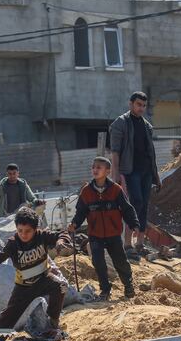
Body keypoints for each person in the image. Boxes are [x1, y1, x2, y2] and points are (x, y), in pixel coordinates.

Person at [0, 207, 69, 340]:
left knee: (60, 286)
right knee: (9, 316)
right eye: (20, 231)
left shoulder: (42, 236)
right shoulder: (13, 244)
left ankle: (52, 323)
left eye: (27, 231)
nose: (23, 235)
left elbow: (62, 234)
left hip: (44, 279)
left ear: (35, 229)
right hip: (24, 286)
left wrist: (60, 242)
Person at [68, 156, 140, 301]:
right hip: (95, 235)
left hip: (113, 234)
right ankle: (105, 290)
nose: (95, 169)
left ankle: (128, 285)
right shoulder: (86, 192)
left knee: (120, 261)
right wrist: (74, 224)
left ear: (108, 171)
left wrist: (134, 223)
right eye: (93, 167)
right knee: (98, 262)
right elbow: (81, 212)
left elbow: (127, 209)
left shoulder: (116, 190)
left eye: (99, 167)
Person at [109, 91, 162, 260]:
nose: (141, 108)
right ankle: (127, 244)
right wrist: (115, 175)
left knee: (144, 205)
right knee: (134, 203)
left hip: (146, 171)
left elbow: (151, 153)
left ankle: (139, 243)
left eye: (144, 105)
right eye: (138, 104)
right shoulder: (121, 123)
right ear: (131, 104)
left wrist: (157, 176)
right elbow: (115, 152)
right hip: (130, 170)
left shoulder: (147, 126)